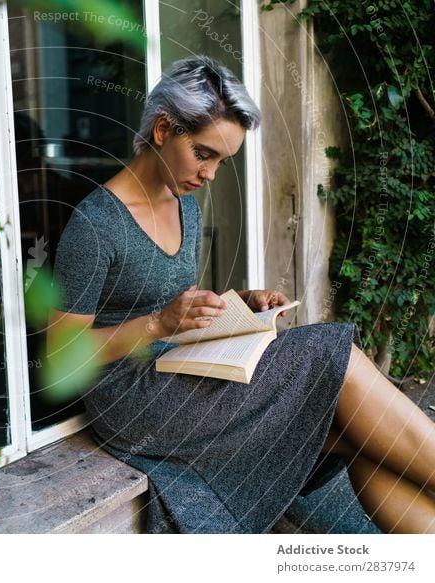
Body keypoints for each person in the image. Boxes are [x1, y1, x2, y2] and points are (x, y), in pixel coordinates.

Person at [47, 56, 435, 533]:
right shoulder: (95, 225)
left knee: (354, 432)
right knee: (336, 358)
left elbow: (168, 297)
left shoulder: (183, 204)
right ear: (165, 129)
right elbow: (59, 357)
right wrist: (157, 325)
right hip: (131, 397)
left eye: (221, 161)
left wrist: (236, 305)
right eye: (204, 154)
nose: (210, 174)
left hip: (181, 367)